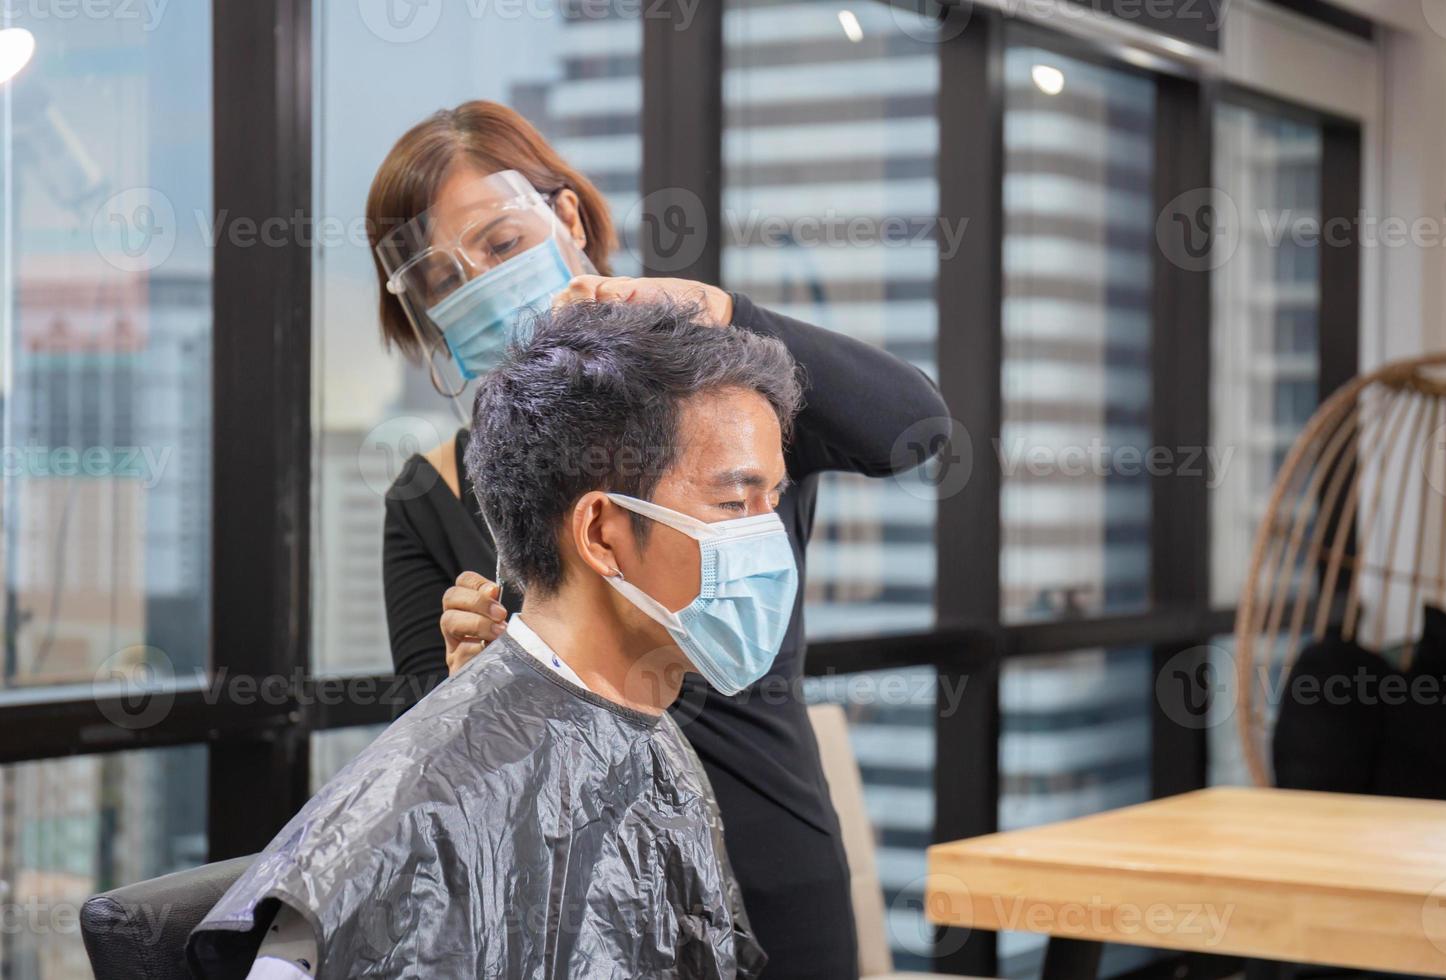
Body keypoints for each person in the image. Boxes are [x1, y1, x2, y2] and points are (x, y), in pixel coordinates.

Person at [374, 101, 951, 980]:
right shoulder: (431, 496)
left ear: (565, 218)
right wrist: (475, 691)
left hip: (773, 886)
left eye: (499, 245)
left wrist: (719, 310)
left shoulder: (730, 413)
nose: (481, 285)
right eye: (445, 281)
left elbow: (912, 427)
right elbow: (431, 787)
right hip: (572, 917)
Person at [189, 301, 796, 979]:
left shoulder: (651, 737)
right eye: (736, 504)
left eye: (774, 499)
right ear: (601, 533)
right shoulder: (407, 815)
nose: (768, 540)